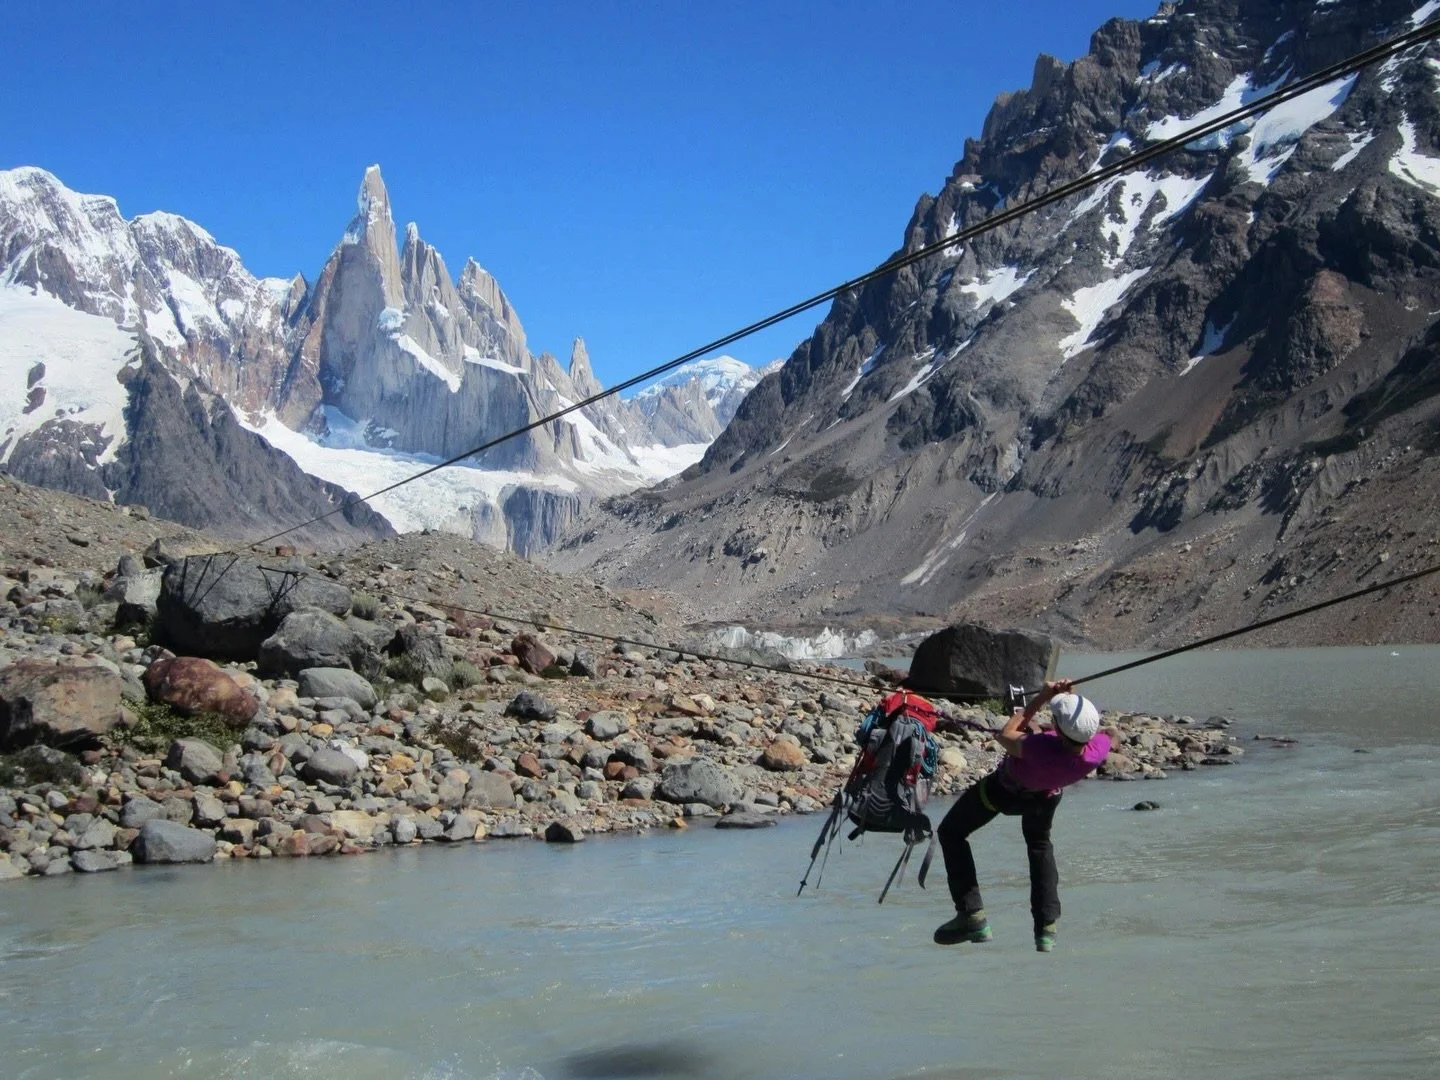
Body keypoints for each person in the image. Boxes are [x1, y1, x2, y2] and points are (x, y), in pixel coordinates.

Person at [932, 678, 1110, 953]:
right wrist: (1070, 700)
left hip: (1003, 793)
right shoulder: (1096, 751)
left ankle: (972, 915)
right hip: (1045, 798)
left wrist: (1041, 698)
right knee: (1040, 845)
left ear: (1059, 731)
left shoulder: (1036, 748)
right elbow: (1096, 733)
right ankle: (1046, 928)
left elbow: (1005, 735)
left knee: (951, 833)